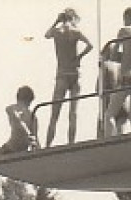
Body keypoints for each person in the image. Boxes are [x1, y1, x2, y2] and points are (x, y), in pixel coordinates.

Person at [44, 8, 93, 146]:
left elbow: (46, 35)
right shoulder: (76, 32)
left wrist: (56, 21)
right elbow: (90, 45)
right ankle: (71, 143)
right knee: (73, 113)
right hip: (75, 73)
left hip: (62, 73)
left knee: (54, 114)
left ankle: (48, 145)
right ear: (73, 18)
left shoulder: (57, 31)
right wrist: (79, 57)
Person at [104, 8, 131, 134]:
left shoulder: (124, 31)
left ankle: (109, 145)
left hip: (126, 77)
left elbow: (113, 54)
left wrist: (106, 55)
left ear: (127, 17)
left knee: (108, 116)